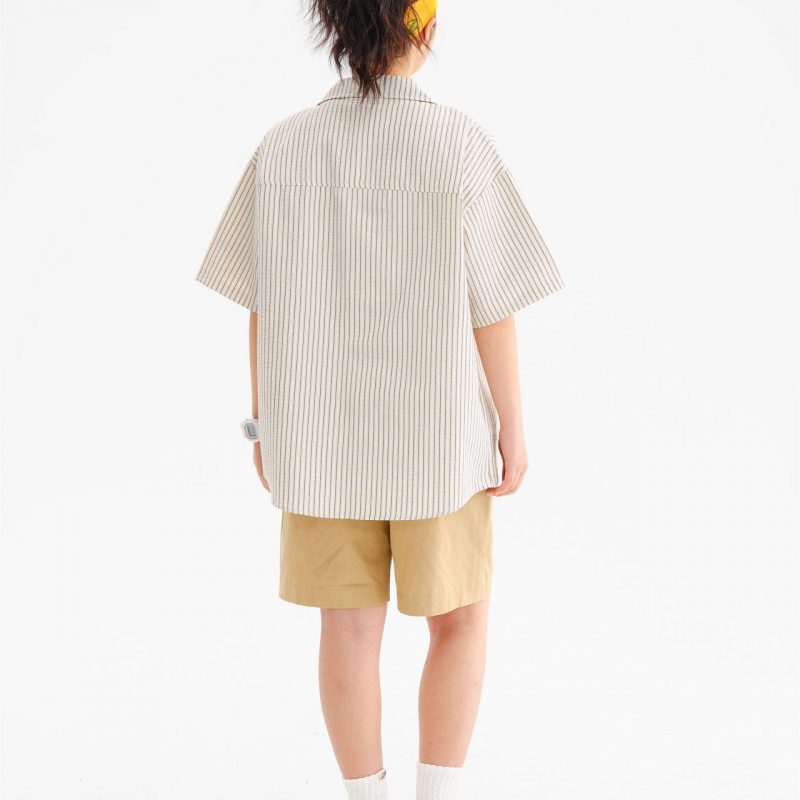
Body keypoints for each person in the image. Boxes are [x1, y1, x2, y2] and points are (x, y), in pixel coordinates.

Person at [194, 1, 565, 797]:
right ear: (423, 30)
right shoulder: (458, 143)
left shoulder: (284, 146)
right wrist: (514, 428)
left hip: (319, 439)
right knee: (459, 620)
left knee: (348, 628)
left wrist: (264, 426)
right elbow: (493, 305)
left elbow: (259, 302)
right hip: (440, 440)